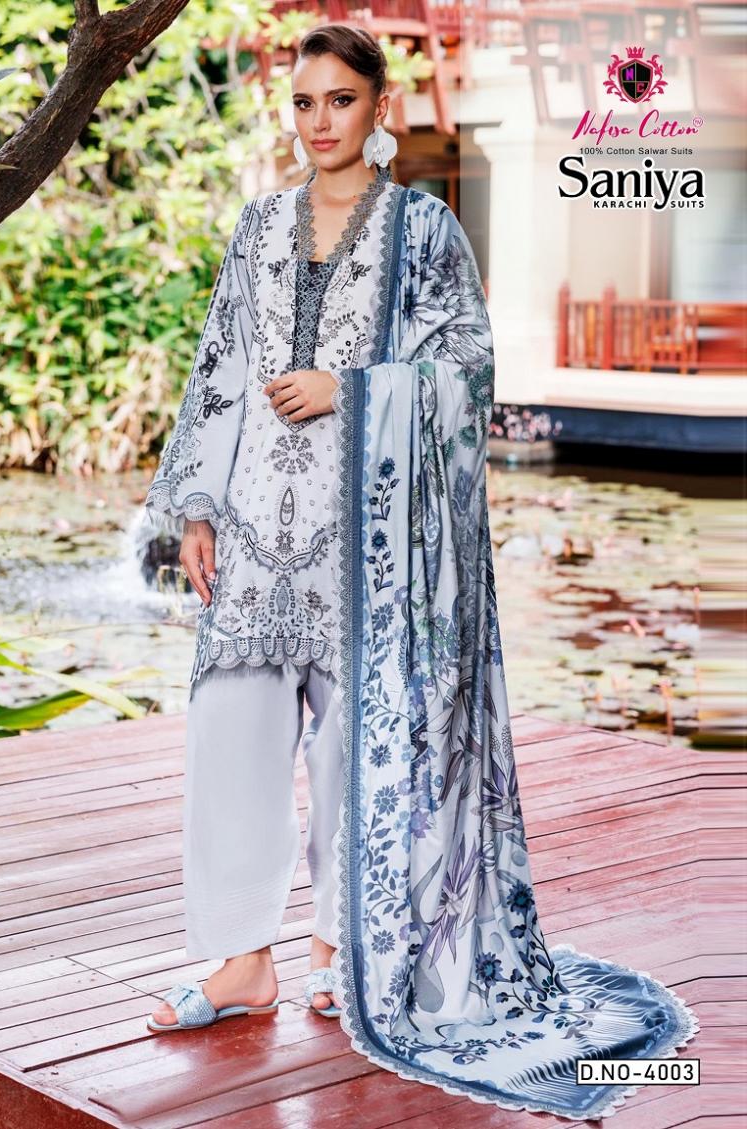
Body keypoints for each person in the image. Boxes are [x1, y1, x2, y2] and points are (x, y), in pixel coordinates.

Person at [141, 23, 699, 1120]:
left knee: (356, 743)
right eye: (303, 102)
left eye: (340, 100)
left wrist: (350, 388)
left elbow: (465, 367)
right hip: (253, 527)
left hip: (371, 534)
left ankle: (339, 949)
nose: (319, 122)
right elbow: (219, 370)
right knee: (229, 730)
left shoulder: (424, 229)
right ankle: (240, 960)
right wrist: (195, 507)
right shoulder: (258, 227)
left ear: (379, 107)